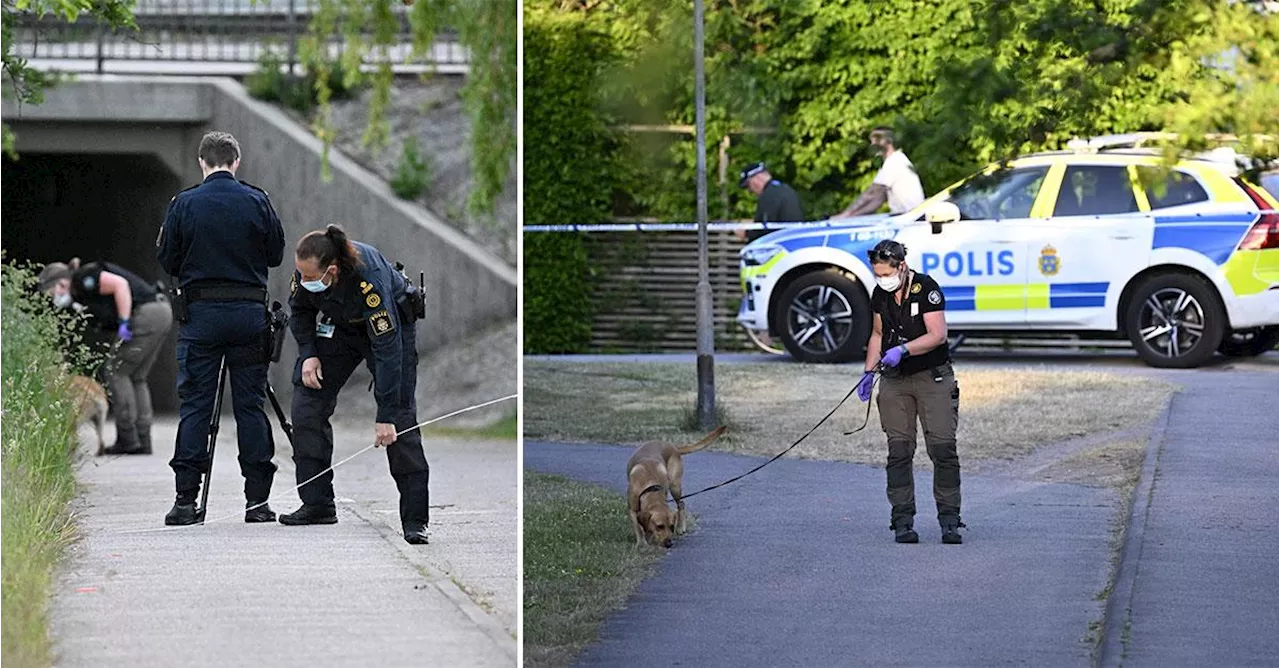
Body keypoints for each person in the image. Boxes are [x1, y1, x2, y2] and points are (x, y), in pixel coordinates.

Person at [156, 130, 286, 526]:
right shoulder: (257, 200)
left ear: (202, 162)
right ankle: (257, 502)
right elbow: (276, 255)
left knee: (196, 404)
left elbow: (167, 259)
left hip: (201, 318)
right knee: (250, 406)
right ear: (236, 161)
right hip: (248, 315)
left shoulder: (184, 204)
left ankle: (184, 501)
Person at [282, 224, 430, 545]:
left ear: (332, 270)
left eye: (310, 277)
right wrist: (309, 354)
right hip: (341, 330)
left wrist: (385, 415)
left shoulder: (369, 280)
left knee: (401, 418)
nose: (304, 281)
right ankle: (317, 503)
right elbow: (299, 311)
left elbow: (388, 349)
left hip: (391, 331)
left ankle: (415, 520)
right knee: (307, 402)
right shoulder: (306, 273)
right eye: (301, 275)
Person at [855, 239, 963, 544]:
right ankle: (902, 520)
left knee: (943, 449)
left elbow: (938, 335)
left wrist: (903, 349)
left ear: (901, 266)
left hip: (932, 377)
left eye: (886, 273)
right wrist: (868, 371)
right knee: (899, 451)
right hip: (895, 380)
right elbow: (877, 334)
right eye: (877, 273)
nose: (881, 279)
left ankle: (950, 519)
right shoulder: (880, 294)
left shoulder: (926, 289)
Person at [38, 258, 174, 455]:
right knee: (136, 376)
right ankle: (142, 439)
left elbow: (121, 285)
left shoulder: (85, 277)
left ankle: (128, 438)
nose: (54, 299)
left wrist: (124, 323)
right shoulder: (79, 294)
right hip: (160, 311)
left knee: (115, 370)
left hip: (147, 314)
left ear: (61, 283)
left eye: (52, 293)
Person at [835, 127, 925, 218]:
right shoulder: (896, 160)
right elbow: (878, 200)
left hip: (908, 218)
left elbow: (871, 193)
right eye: (872, 140)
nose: (873, 143)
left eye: (877, 138)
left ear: (889, 141)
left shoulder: (894, 162)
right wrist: (852, 215)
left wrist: (845, 214)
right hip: (909, 216)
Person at [738, 162, 805, 243]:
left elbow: (764, 230)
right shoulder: (785, 189)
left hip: (780, 246)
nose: (750, 190)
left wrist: (746, 232)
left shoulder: (768, 196)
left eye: (748, 185)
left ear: (756, 179)